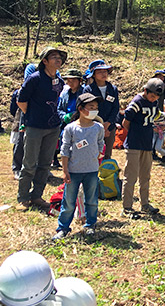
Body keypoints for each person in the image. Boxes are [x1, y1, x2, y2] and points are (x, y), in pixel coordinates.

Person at [16, 47, 67, 212]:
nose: (58, 59)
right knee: (29, 163)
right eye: (54, 57)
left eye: (59, 57)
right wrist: (31, 115)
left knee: (45, 164)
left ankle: (37, 196)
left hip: (53, 128)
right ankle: (23, 198)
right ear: (45, 61)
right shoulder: (35, 79)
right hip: (35, 127)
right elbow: (21, 100)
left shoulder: (59, 81)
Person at [53, 93, 105, 240]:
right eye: (91, 107)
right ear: (81, 109)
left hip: (92, 170)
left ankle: (90, 225)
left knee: (91, 200)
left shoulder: (98, 128)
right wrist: (65, 170)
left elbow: (101, 144)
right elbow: (65, 150)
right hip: (74, 171)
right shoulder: (71, 129)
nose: (95, 110)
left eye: (96, 107)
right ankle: (63, 228)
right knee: (68, 201)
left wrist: (99, 155)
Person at [121, 78, 163, 217]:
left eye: (156, 97)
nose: (153, 99)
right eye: (152, 96)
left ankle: (144, 204)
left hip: (147, 143)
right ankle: (127, 207)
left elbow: (155, 116)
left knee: (145, 176)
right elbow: (125, 122)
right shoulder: (137, 102)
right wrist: (134, 134)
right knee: (130, 176)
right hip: (134, 144)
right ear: (145, 91)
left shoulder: (154, 103)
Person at [83, 60, 119, 160]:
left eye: (105, 71)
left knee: (107, 154)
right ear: (93, 75)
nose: (103, 74)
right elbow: (87, 109)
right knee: (92, 152)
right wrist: (99, 125)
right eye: (99, 72)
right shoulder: (88, 89)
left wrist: (107, 124)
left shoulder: (112, 89)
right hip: (92, 126)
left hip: (110, 126)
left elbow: (115, 107)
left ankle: (106, 174)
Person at [10, 64, 37, 180]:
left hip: (38, 119)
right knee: (20, 143)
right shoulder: (21, 91)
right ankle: (17, 167)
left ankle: (37, 169)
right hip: (22, 119)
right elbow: (13, 109)